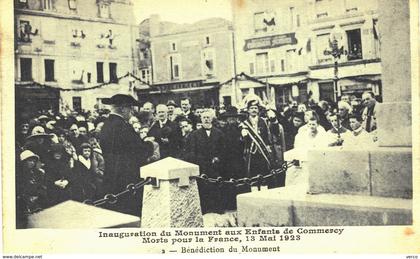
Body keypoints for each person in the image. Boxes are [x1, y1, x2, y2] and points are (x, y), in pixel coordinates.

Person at [99, 94, 153, 216]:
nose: (132, 112)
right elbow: (140, 151)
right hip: (127, 179)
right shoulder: (123, 127)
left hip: (110, 175)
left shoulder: (106, 126)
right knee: (129, 212)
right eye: (130, 108)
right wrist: (150, 144)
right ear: (123, 109)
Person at [185, 110, 225, 214]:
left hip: (215, 165)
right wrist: (199, 161)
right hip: (201, 165)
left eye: (208, 117)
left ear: (212, 119)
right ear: (201, 120)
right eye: (204, 118)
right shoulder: (194, 134)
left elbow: (223, 149)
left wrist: (218, 158)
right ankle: (204, 208)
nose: (206, 119)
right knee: (202, 187)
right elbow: (192, 151)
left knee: (216, 185)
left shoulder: (219, 133)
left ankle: (217, 207)